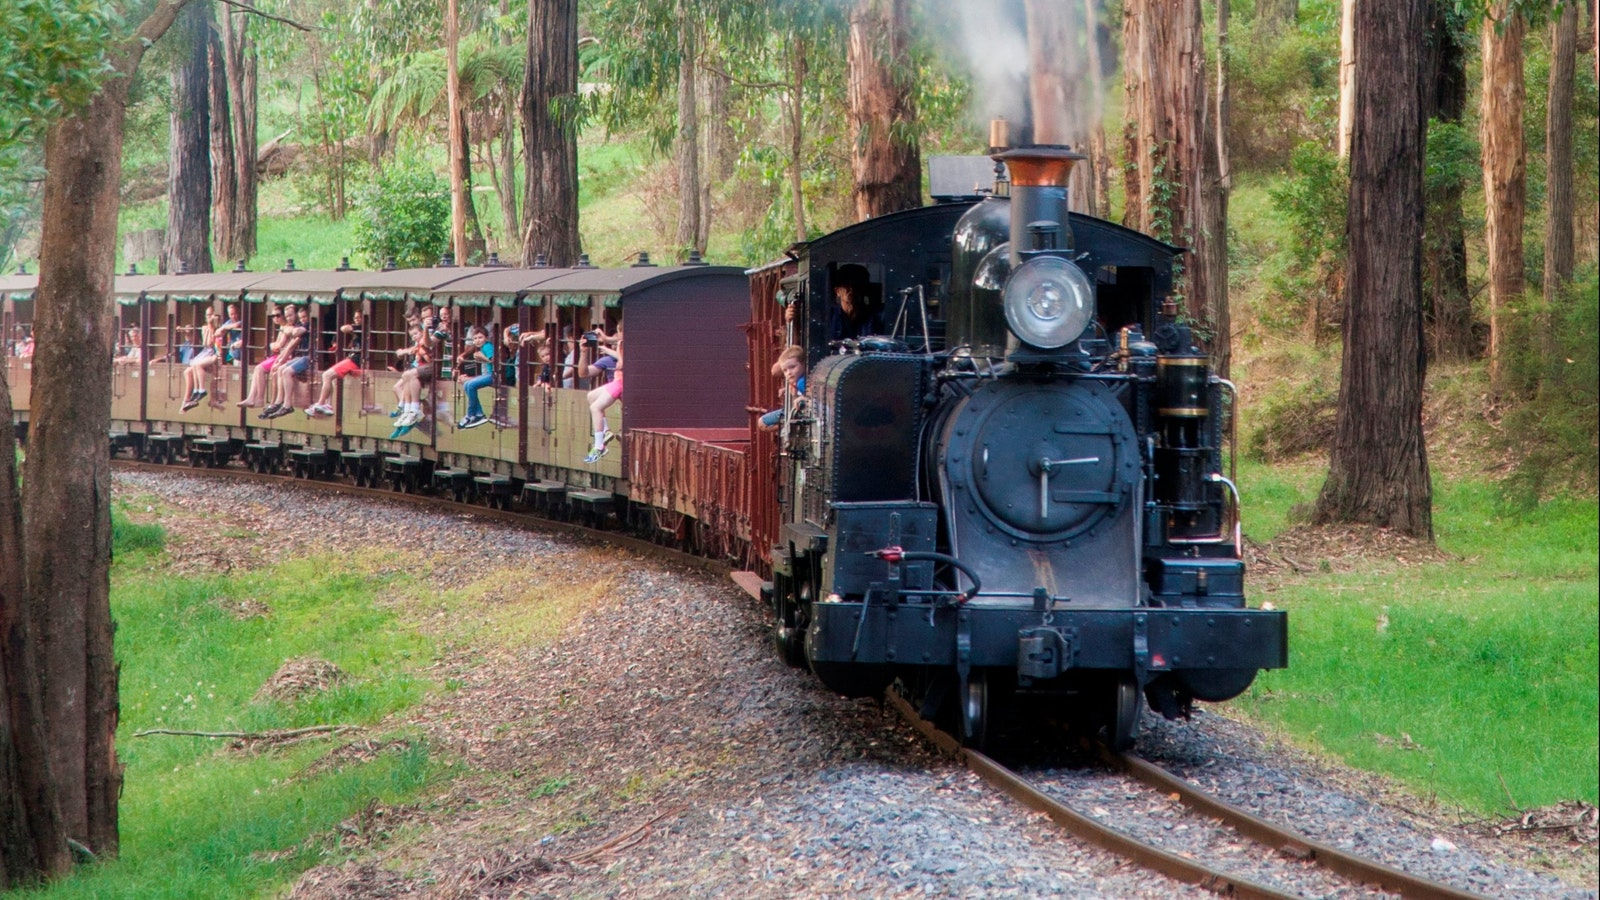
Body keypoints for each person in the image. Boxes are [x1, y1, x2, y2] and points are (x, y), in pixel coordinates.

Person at [305, 310, 364, 416]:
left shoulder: (363, 328)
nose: (357, 319)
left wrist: (353, 327)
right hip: (351, 359)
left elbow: (344, 328)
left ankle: (322, 403)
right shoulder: (357, 330)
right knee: (330, 378)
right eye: (355, 318)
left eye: (360, 317)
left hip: (355, 361)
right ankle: (327, 404)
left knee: (326, 375)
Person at [583, 322, 623, 464]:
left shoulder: (625, 344)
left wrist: (607, 350)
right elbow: (614, 340)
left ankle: (599, 446)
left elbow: (622, 362)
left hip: (621, 381)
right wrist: (604, 339)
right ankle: (606, 431)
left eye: (618, 333)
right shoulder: (622, 341)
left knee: (595, 407)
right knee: (591, 396)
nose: (617, 336)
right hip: (617, 380)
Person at [262, 305, 312, 419]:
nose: (303, 319)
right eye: (301, 317)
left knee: (286, 372)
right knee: (280, 369)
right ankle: (279, 401)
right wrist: (280, 361)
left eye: (305, 317)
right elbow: (290, 345)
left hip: (308, 356)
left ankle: (287, 404)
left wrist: (290, 330)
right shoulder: (299, 325)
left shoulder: (309, 325)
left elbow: (295, 334)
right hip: (299, 357)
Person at [238, 305, 291, 409]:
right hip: (279, 354)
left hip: (284, 356)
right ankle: (252, 397)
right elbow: (277, 345)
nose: (275, 318)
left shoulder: (287, 327)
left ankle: (260, 399)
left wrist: (273, 345)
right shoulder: (281, 327)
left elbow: (278, 345)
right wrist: (274, 345)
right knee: (257, 369)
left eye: (278, 315)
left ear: (283, 315)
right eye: (273, 316)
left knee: (260, 368)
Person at [179, 312, 225, 411]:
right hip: (210, 354)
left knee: (198, 366)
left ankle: (203, 391)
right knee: (189, 370)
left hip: (215, 356)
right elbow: (206, 343)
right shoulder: (206, 329)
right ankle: (194, 393)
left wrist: (211, 332)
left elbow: (209, 344)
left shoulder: (219, 332)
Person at [454, 324, 495, 429]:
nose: (478, 340)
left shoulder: (488, 346)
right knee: (467, 384)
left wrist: (483, 358)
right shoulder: (481, 348)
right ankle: (479, 414)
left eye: (480, 337)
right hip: (488, 374)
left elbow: (494, 361)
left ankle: (470, 414)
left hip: (493, 375)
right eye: (475, 338)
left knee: (471, 385)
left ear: (486, 337)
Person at [759, 345, 807, 432]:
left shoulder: (801, 382)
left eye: (792, 367)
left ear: (803, 364)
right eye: (785, 370)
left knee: (762, 422)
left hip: (799, 410)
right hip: (798, 409)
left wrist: (803, 398)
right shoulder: (799, 380)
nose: (789, 373)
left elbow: (813, 396)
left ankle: (789, 424)